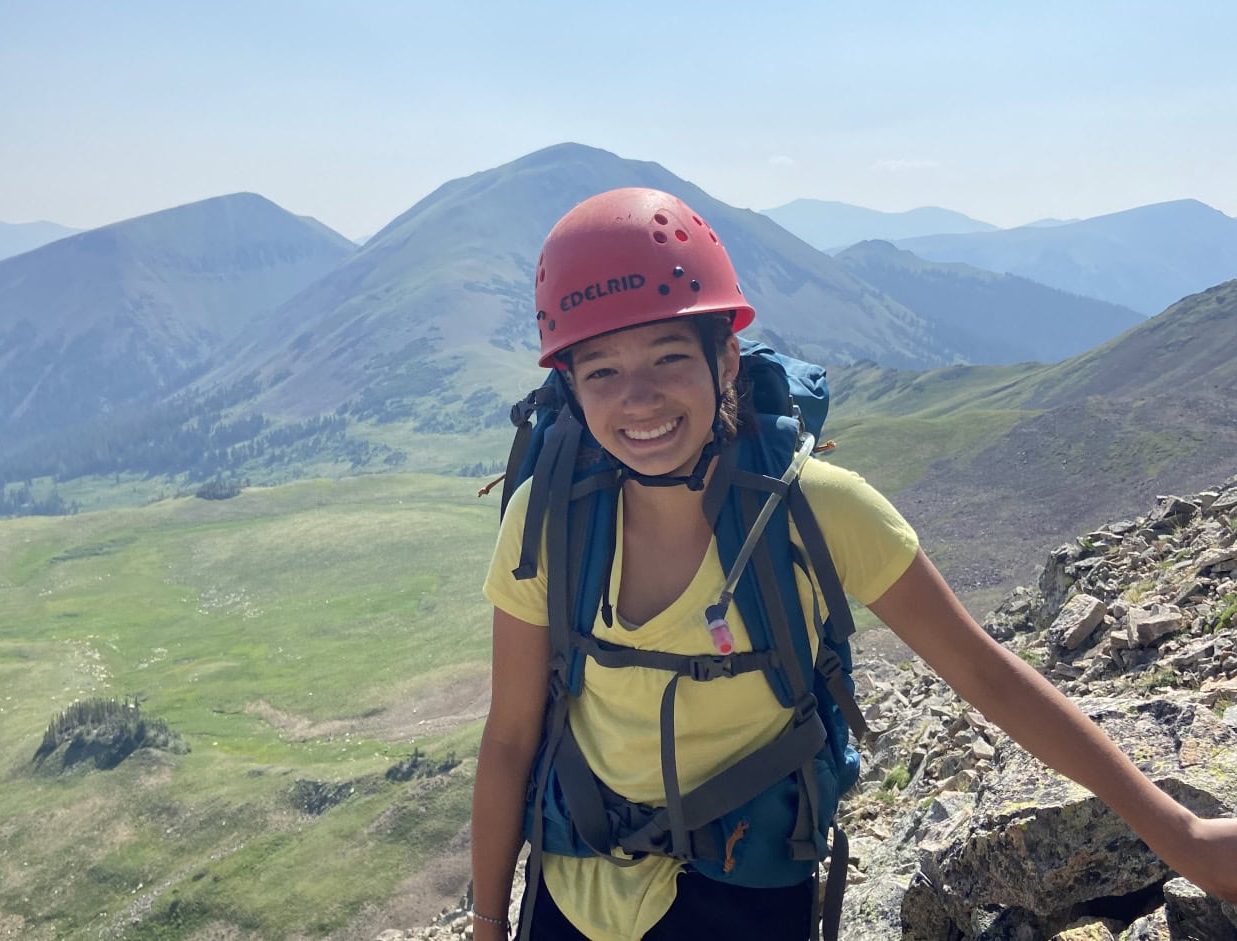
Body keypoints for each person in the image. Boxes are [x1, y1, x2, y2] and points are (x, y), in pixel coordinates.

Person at [470, 187, 1237, 941]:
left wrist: (1181, 833)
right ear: (570, 386)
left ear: (725, 359)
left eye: (670, 356)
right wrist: (483, 922)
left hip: (747, 886)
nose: (638, 400)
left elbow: (986, 674)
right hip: (570, 890)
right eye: (602, 371)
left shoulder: (819, 509)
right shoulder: (548, 517)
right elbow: (510, 736)